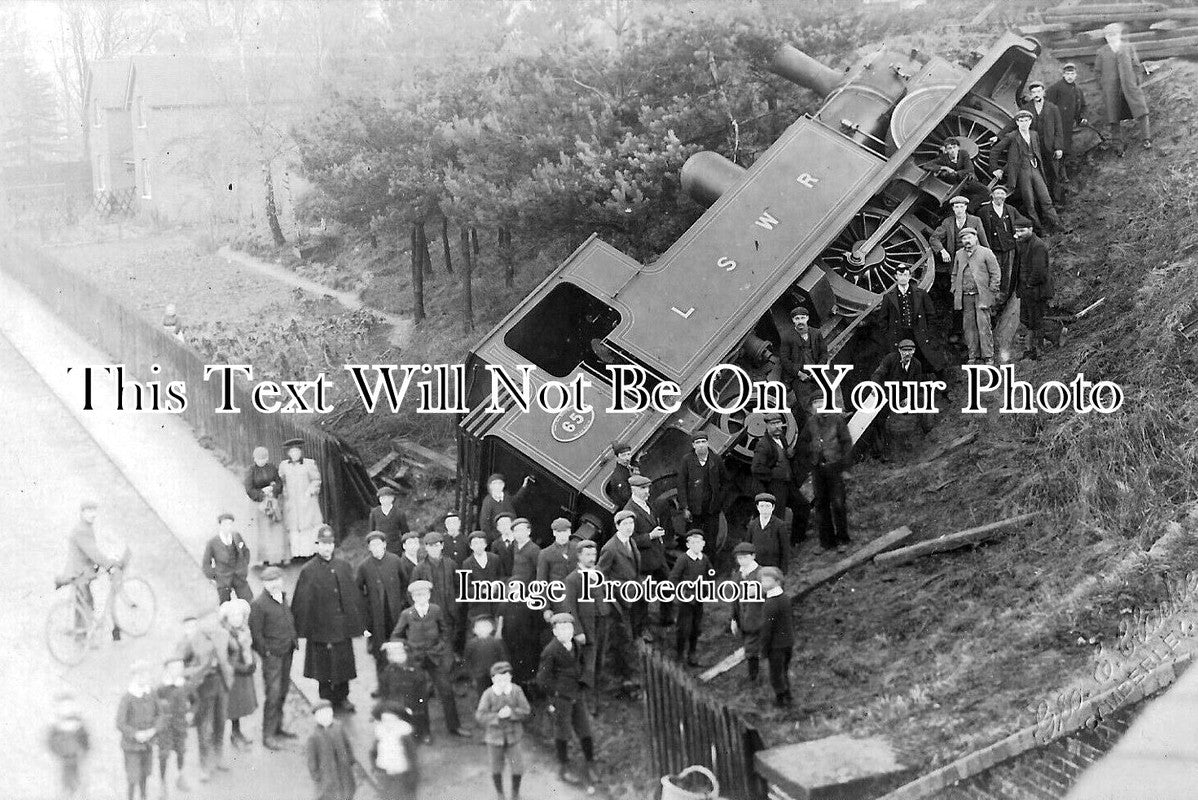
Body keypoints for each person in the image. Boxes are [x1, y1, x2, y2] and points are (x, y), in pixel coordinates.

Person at [292, 526, 367, 714]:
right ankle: (325, 700)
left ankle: (343, 697)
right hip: (320, 628)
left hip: (341, 626)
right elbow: (302, 602)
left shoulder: (343, 566)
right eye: (323, 544)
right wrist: (304, 629)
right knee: (323, 666)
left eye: (330, 544)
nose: (327, 548)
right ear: (317, 545)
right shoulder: (308, 570)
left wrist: (356, 623)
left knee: (343, 663)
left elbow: (352, 597)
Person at [392, 580, 468, 739]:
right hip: (416, 659)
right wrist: (408, 647)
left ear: (429, 595)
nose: (421, 597)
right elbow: (396, 635)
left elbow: (445, 630)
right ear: (412, 597)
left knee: (446, 691)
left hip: (435, 657)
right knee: (420, 695)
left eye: (424, 594)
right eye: (417, 595)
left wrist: (440, 646)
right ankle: (423, 731)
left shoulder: (435, 610)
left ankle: (455, 727)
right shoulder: (407, 614)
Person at [537, 613, 597, 789]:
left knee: (585, 729)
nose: (566, 632)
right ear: (555, 632)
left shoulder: (576, 645)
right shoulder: (550, 651)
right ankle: (563, 767)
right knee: (562, 732)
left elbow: (583, 665)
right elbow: (542, 679)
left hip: (576, 695)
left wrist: (583, 682)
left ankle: (590, 763)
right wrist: (555, 694)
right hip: (561, 698)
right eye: (561, 629)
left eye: (569, 628)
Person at [175, 613, 231, 782]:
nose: (192, 629)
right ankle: (205, 765)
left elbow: (231, 653)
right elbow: (178, 666)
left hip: (220, 684)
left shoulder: (217, 636)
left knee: (220, 722)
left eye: (195, 625)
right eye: (188, 626)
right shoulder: (187, 643)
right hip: (202, 688)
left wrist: (229, 671)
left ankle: (218, 757)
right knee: (204, 727)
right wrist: (195, 673)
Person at [249, 565, 298, 750]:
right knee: (273, 694)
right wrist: (267, 653)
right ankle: (268, 735)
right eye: (270, 581)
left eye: (277, 580)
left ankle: (278, 728)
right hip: (273, 658)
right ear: (264, 584)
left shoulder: (283, 597)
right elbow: (256, 635)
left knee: (283, 691)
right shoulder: (259, 604)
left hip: (287, 651)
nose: (274, 584)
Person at [61, 499, 123, 640]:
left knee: (84, 602)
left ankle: (82, 635)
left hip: (80, 570)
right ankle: (83, 636)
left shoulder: (85, 527)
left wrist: (106, 561)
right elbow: (93, 552)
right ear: (82, 513)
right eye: (89, 511)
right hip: (80, 572)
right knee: (86, 603)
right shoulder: (82, 530)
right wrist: (108, 565)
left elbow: (92, 551)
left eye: (94, 511)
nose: (93, 514)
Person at [596, 512, 643, 695]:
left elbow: (634, 569)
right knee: (623, 641)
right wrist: (617, 595)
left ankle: (627, 679)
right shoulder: (610, 548)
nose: (629, 527)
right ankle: (627, 682)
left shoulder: (630, 542)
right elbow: (602, 577)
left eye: (631, 523)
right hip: (617, 603)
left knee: (628, 639)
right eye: (625, 524)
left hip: (632, 598)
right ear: (617, 526)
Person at [800, 394, 854, 552]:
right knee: (821, 505)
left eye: (821, 401)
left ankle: (843, 540)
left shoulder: (837, 420)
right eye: (815, 402)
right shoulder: (810, 423)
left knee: (838, 504)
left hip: (835, 468)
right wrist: (811, 455)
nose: (819, 405)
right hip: (818, 470)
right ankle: (827, 543)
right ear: (812, 407)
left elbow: (846, 443)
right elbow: (802, 442)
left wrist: (845, 468)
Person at [993, 110, 1061, 233]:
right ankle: (1040, 230)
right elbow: (995, 151)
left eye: (1026, 120)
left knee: (1045, 198)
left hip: (1035, 170)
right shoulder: (1012, 136)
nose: (1024, 123)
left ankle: (1057, 225)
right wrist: (995, 169)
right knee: (1029, 202)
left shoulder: (1034, 134)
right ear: (1017, 123)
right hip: (1022, 172)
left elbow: (1038, 151)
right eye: (1021, 121)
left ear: (1030, 122)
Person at [876, 263, 945, 378]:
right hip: (898, 334)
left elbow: (931, 315)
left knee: (926, 358)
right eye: (900, 275)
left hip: (918, 332)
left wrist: (930, 333)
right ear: (896, 277)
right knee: (899, 362)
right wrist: (889, 335)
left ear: (909, 277)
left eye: (906, 275)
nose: (903, 277)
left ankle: (931, 383)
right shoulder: (889, 297)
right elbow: (883, 319)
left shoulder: (921, 293)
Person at [357, 531, 407, 684]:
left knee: (398, 646)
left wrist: (402, 602)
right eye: (373, 545)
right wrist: (366, 608)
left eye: (379, 544)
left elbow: (404, 582)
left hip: (395, 613)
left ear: (385, 544)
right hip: (376, 615)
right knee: (380, 651)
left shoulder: (395, 560)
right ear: (369, 548)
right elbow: (357, 590)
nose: (377, 547)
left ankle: (401, 684)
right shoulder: (364, 566)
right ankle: (383, 686)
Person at [476, 661, 531, 800]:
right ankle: (500, 794)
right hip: (494, 738)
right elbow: (480, 715)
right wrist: (497, 716)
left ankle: (515, 793)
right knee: (496, 768)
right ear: (493, 679)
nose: (502, 682)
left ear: (510, 678)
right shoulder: (488, 694)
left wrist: (512, 713)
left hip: (513, 736)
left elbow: (526, 710)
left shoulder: (516, 691)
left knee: (517, 767)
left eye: (505, 678)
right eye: (498, 679)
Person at [624, 475, 671, 634]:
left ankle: (666, 619)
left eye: (648, 488)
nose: (647, 492)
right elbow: (629, 540)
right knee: (641, 599)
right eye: (643, 488)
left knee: (667, 587)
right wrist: (650, 536)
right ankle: (641, 630)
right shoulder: (629, 511)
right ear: (633, 489)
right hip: (643, 562)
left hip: (657, 556)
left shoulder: (645, 504)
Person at [1094, 22, 1151, 153]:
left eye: (1113, 34)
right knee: (1114, 117)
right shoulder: (1102, 52)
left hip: (1129, 86)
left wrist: (1136, 82)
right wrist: (1104, 85)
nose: (1111, 37)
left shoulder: (1128, 47)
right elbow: (1097, 72)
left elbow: (1136, 66)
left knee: (1142, 110)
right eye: (1108, 35)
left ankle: (1146, 139)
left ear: (1119, 35)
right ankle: (1118, 147)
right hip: (1112, 89)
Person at [950, 227, 1003, 366]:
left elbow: (995, 273)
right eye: (964, 238)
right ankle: (973, 356)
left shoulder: (986, 252)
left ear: (975, 238)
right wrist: (954, 288)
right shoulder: (959, 254)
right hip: (965, 296)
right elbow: (954, 274)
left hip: (982, 295)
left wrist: (992, 291)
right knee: (969, 328)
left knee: (984, 325)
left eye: (969, 238)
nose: (967, 241)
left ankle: (988, 356)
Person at [870, 340, 927, 461]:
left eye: (910, 351)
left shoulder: (916, 364)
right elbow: (878, 374)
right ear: (900, 351)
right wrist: (876, 387)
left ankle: (919, 446)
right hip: (886, 393)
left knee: (917, 412)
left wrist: (908, 397)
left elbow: (916, 384)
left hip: (903, 395)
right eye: (905, 351)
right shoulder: (890, 359)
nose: (907, 354)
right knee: (880, 420)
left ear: (914, 351)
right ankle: (880, 452)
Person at [505, 518, 544, 684]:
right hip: (513, 598)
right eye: (516, 531)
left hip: (529, 600)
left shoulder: (535, 550)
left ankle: (530, 676)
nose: (519, 534)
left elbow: (540, 575)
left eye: (522, 530)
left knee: (529, 638)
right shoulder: (512, 548)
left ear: (528, 531)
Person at [676, 432, 726, 562]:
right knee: (694, 540)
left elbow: (725, 481)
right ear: (693, 445)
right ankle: (693, 569)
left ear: (708, 443)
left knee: (710, 541)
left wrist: (719, 501)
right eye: (698, 442)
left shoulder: (716, 459)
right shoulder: (686, 460)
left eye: (703, 442)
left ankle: (709, 570)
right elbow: (681, 485)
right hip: (694, 509)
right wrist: (685, 507)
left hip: (712, 509)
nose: (701, 445)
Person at [1014, 219, 1058, 360]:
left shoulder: (1038, 246)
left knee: (1036, 320)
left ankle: (1039, 350)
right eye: (1017, 231)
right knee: (1027, 320)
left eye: (1022, 231)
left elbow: (1039, 271)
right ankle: (1032, 349)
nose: (1019, 234)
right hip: (1026, 290)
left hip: (1036, 290)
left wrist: (1029, 284)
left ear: (1031, 229)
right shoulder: (1022, 244)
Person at [413, 531, 462, 655]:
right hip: (429, 613)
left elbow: (459, 587)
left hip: (449, 611)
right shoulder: (419, 568)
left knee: (449, 644)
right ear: (426, 548)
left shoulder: (451, 565)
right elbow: (412, 592)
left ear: (442, 546)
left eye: (436, 545)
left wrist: (456, 604)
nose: (434, 549)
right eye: (430, 546)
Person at [117, 661, 160, 800]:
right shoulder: (128, 698)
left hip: (147, 744)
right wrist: (135, 734)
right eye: (139, 675)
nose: (142, 677)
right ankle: (130, 797)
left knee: (145, 774)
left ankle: (143, 796)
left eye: (145, 674)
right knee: (133, 776)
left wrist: (154, 730)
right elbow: (120, 723)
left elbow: (160, 715)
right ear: (133, 677)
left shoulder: (151, 693)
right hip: (131, 746)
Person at [669, 531, 713, 666]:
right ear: (688, 545)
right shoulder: (683, 559)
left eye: (699, 542)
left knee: (696, 626)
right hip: (686, 600)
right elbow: (673, 578)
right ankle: (679, 654)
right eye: (693, 542)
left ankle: (692, 653)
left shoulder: (704, 559)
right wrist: (682, 593)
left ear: (703, 544)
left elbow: (710, 574)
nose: (696, 545)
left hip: (698, 599)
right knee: (683, 627)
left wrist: (706, 590)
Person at [779, 305, 828, 421]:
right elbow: (784, 359)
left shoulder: (816, 334)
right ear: (793, 321)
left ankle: (837, 417)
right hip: (799, 377)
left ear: (807, 318)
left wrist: (818, 369)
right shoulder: (787, 337)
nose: (800, 321)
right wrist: (799, 374)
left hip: (816, 373)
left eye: (802, 318)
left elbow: (824, 353)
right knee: (807, 404)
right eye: (797, 319)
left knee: (829, 393)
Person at [220, 598, 258, 749]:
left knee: (241, 705)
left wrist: (253, 662)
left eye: (239, 615)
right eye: (233, 616)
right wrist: (243, 668)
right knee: (234, 706)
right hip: (234, 676)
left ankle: (237, 732)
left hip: (244, 675)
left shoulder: (244, 631)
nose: (237, 619)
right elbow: (226, 659)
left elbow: (249, 650)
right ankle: (234, 734)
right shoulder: (225, 635)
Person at [1016, 82, 1064, 199]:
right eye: (1033, 92)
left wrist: (1058, 147)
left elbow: (1058, 129)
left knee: (1054, 172)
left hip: (1050, 146)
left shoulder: (1053, 108)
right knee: (1038, 174)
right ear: (1031, 94)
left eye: (1038, 92)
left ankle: (1056, 199)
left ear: (1043, 92)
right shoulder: (1026, 108)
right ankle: (1042, 198)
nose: (1036, 94)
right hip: (1034, 148)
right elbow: (1013, 123)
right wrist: (998, 136)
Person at [377, 640, 430, 743]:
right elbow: (384, 690)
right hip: (397, 702)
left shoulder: (414, 670)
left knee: (420, 716)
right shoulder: (387, 672)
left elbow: (421, 687)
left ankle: (424, 733)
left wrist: (421, 701)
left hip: (415, 701)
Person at [1046, 64, 1088, 192]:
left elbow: (1083, 106)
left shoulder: (1078, 90)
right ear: (1063, 75)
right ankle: (1058, 176)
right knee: (1057, 148)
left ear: (1076, 75)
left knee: (1066, 149)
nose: (1070, 76)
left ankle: (1062, 173)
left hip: (1069, 124)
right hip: (1056, 124)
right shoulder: (1056, 88)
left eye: (1072, 74)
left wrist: (1082, 117)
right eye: (1067, 74)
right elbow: (1048, 105)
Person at [279, 438, 324, 559]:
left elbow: (316, 480)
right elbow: (281, 481)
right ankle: (296, 554)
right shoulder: (284, 466)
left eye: (297, 452)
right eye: (292, 452)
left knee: (308, 525)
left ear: (301, 452)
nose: (295, 454)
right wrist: (284, 491)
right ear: (288, 453)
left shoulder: (309, 464)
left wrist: (310, 491)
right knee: (294, 526)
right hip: (292, 502)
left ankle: (310, 553)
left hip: (307, 501)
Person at [758, 567, 795, 708]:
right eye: (762, 581)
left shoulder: (770, 603)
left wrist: (763, 649)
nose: (763, 583)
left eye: (767, 580)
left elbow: (767, 628)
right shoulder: (785, 598)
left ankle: (781, 700)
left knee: (775, 674)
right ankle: (788, 696)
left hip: (776, 645)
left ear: (777, 582)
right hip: (788, 642)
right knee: (784, 671)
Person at [975, 185, 1021, 297]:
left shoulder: (1011, 210)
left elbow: (1022, 222)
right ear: (992, 195)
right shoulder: (984, 211)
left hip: (1009, 247)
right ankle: (992, 297)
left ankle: (1003, 297)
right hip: (993, 247)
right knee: (994, 273)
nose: (999, 196)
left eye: (1002, 194)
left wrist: (1018, 233)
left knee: (1007, 273)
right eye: (997, 193)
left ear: (1005, 196)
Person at [245, 446, 287, 566]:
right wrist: (261, 494)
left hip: (272, 502)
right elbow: (249, 489)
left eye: (264, 458)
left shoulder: (272, 468)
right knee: (262, 531)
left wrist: (273, 489)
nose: (262, 461)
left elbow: (279, 482)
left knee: (275, 529)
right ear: (254, 459)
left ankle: (277, 557)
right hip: (258, 504)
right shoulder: (251, 471)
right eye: (259, 459)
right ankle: (264, 558)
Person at [155, 657, 192, 795]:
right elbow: (154, 706)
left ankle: (180, 776)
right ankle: (162, 783)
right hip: (165, 729)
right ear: (167, 670)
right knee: (163, 755)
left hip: (180, 727)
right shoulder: (161, 688)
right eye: (174, 668)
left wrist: (191, 713)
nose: (178, 671)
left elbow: (195, 701)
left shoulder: (185, 685)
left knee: (181, 752)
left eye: (180, 668)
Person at [306, 700, 356, 800]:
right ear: (316, 718)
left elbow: (347, 745)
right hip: (326, 772)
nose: (326, 717)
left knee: (346, 789)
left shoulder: (338, 727)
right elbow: (311, 758)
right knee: (329, 793)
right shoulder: (313, 736)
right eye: (322, 715)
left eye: (328, 713)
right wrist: (315, 773)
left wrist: (350, 759)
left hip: (343, 768)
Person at [370, 701, 419, 800]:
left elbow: (412, 756)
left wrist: (412, 777)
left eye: (391, 720)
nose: (388, 724)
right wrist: (375, 768)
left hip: (402, 773)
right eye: (385, 720)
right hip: (384, 773)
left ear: (398, 720)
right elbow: (374, 752)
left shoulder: (404, 735)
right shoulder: (380, 733)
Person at [729, 543, 763, 683]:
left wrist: (760, 591)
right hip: (743, 618)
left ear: (753, 556)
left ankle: (754, 676)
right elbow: (734, 600)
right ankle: (754, 674)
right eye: (739, 558)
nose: (742, 560)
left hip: (758, 618)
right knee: (750, 646)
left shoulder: (762, 573)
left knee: (752, 648)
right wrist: (734, 619)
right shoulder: (737, 576)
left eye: (745, 557)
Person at [46, 691, 90, 800]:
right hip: (63, 759)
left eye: (69, 706)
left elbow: (85, 740)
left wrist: (83, 751)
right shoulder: (56, 725)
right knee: (64, 784)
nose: (67, 709)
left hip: (76, 757)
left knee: (78, 782)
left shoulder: (79, 724)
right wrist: (57, 751)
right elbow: (51, 741)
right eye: (64, 706)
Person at [930, 195, 990, 274]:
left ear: (965, 207)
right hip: (955, 259)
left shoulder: (975, 220)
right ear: (953, 208)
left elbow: (983, 240)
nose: (959, 210)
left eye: (961, 207)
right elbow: (934, 238)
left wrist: (988, 257)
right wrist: (942, 251)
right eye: (957, 207)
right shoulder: (948, 222)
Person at [202, 513, 252, 604]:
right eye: (225, 524)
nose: (228, 527)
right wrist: (215, 576)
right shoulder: (212, 542)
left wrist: (243, 567)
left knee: (249, 601)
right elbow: (206, 564)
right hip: (223, 579)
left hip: (239, 576)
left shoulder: (236, 536)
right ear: (220, 525)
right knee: (225, 606)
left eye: (230, 524)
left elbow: (246, 552)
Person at [752, 414, 793, 515]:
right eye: (773, 424)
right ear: (767, 426)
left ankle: (797, 531)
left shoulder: (781, 438)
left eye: (779, 423)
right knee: (778, 514)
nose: (777, 426)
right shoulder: (763, 445)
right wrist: (772, 475)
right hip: (775, 484)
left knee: (803, 506)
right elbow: (756, 468)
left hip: (788, 482)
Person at [460, 531, 503, 627]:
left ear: (485, 544)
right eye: (475, 543)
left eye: (481, 542)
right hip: (477, 607)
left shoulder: (495, 559)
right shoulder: (467, 563)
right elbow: (466, 588)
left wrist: (496, 586)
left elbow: (502, 577)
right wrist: (483, 591)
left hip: (495, 604)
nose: (478, 546)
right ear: (471, 546)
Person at [464, 615, 510, 699]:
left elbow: (503, 657)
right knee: (483, 695)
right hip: (479, 675)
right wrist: (471, 675)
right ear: (474, 630)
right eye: (479, 627)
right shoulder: (471, 644)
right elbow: (467, 660)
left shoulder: (496, 642)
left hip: (495, 674)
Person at [478, 473, 533, 541]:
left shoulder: (506, 496)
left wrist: (524, 487)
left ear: (503, 485)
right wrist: (492, 538)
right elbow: (484, 523)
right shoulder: (488, 501)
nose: (497, 486)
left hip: (512, 533)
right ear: (490, 486)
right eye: (494, 484)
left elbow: (515, 500)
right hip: (498, 536)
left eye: (500, 483)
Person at [537, 518, 579, 600]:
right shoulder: (545, 554)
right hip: (557, 600)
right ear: (554, 533)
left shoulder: (578, 549)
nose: (562, 535)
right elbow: (541, 582)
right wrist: (546, 608)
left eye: (565, 531)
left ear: (570, 532)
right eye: (559, 532)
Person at [746, 493, 789, 572]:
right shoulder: (753, 525)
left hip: (773, 567)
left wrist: (783, 571)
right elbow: (748, 547)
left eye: (767, 506)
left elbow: (785, 550)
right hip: (755, 567)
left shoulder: (780, 525)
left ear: (773, 507)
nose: (764, 509)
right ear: (757, 507)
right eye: (762, 506)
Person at [369, 487, 409, 556]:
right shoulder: (374, 513)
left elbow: (405, 532)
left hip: (395, 547)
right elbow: (372, 532)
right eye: (382, 498)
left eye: (387, 498)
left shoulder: (399, 513)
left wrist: (405, 546)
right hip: (380, 547)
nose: (384, 500)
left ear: (392, 498)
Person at [606, 442, 635, 509]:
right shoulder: (618, 476)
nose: (627, 458)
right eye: (623, 455)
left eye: (628, 454)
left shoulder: (626, 468)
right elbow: (626, 497)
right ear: (616, 458)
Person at [488, 513, 517, 578]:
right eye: (501, 525)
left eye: (507, 523)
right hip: (502, 579)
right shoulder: (495, 545)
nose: (504, 527)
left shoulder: (519, 541)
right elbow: (494, 565)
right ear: (498, 528)